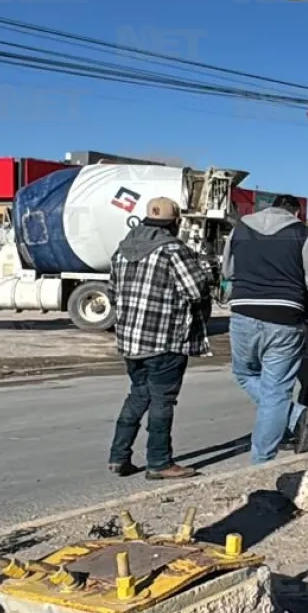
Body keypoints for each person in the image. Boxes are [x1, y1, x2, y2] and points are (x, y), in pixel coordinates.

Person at [107, 197, 213, 480]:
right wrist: (205, 272)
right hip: (165, 339)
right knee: (162, 401)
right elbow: (196, 290)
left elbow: (113, 291)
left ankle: (119, 457)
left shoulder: (123, 249)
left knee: (138, 394)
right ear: (174, 222)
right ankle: (159, 461)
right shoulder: (172, 250)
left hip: (131, 340)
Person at [223, 194, 308, 463]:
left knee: (245, 374)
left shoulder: (240, 229)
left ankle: (293, 416)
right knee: (276, 392)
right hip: (285, 318)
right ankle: (262, 461)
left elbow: (227, 272)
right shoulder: (303, 234)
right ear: (294, 211)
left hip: (243, 314)